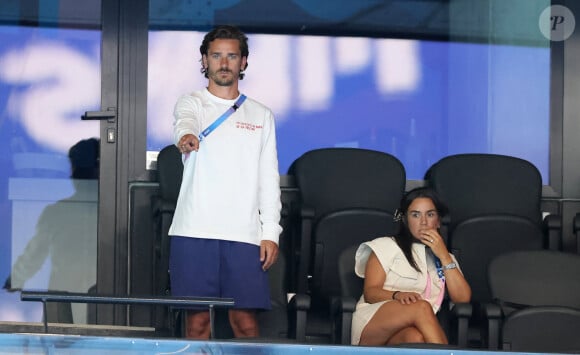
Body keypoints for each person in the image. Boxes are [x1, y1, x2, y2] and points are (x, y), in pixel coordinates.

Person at [168, 25, 282, 339]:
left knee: (245, 324)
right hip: (194, 231)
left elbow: (268, 179)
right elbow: (184, 123)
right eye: (216, 55)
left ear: (243, 62)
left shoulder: (261, 115)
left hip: (244, 236)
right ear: (204, 60)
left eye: (232, 56)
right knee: (197, 325)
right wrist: (186, 137)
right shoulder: (191, 102)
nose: (224, 63)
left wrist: (270, 232)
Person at [351, 187, 471, 346]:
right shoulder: (386, 245)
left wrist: (444, 256)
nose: (423, 222)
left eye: (430, 214)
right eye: (415, 215)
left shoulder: (447, 258)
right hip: (372, 325)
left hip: (410, 331)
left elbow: (462, 299)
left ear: (438, 220)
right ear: (405, 220)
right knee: (421, 307)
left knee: (416, 339)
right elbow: (370, 293)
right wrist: (397, 295)